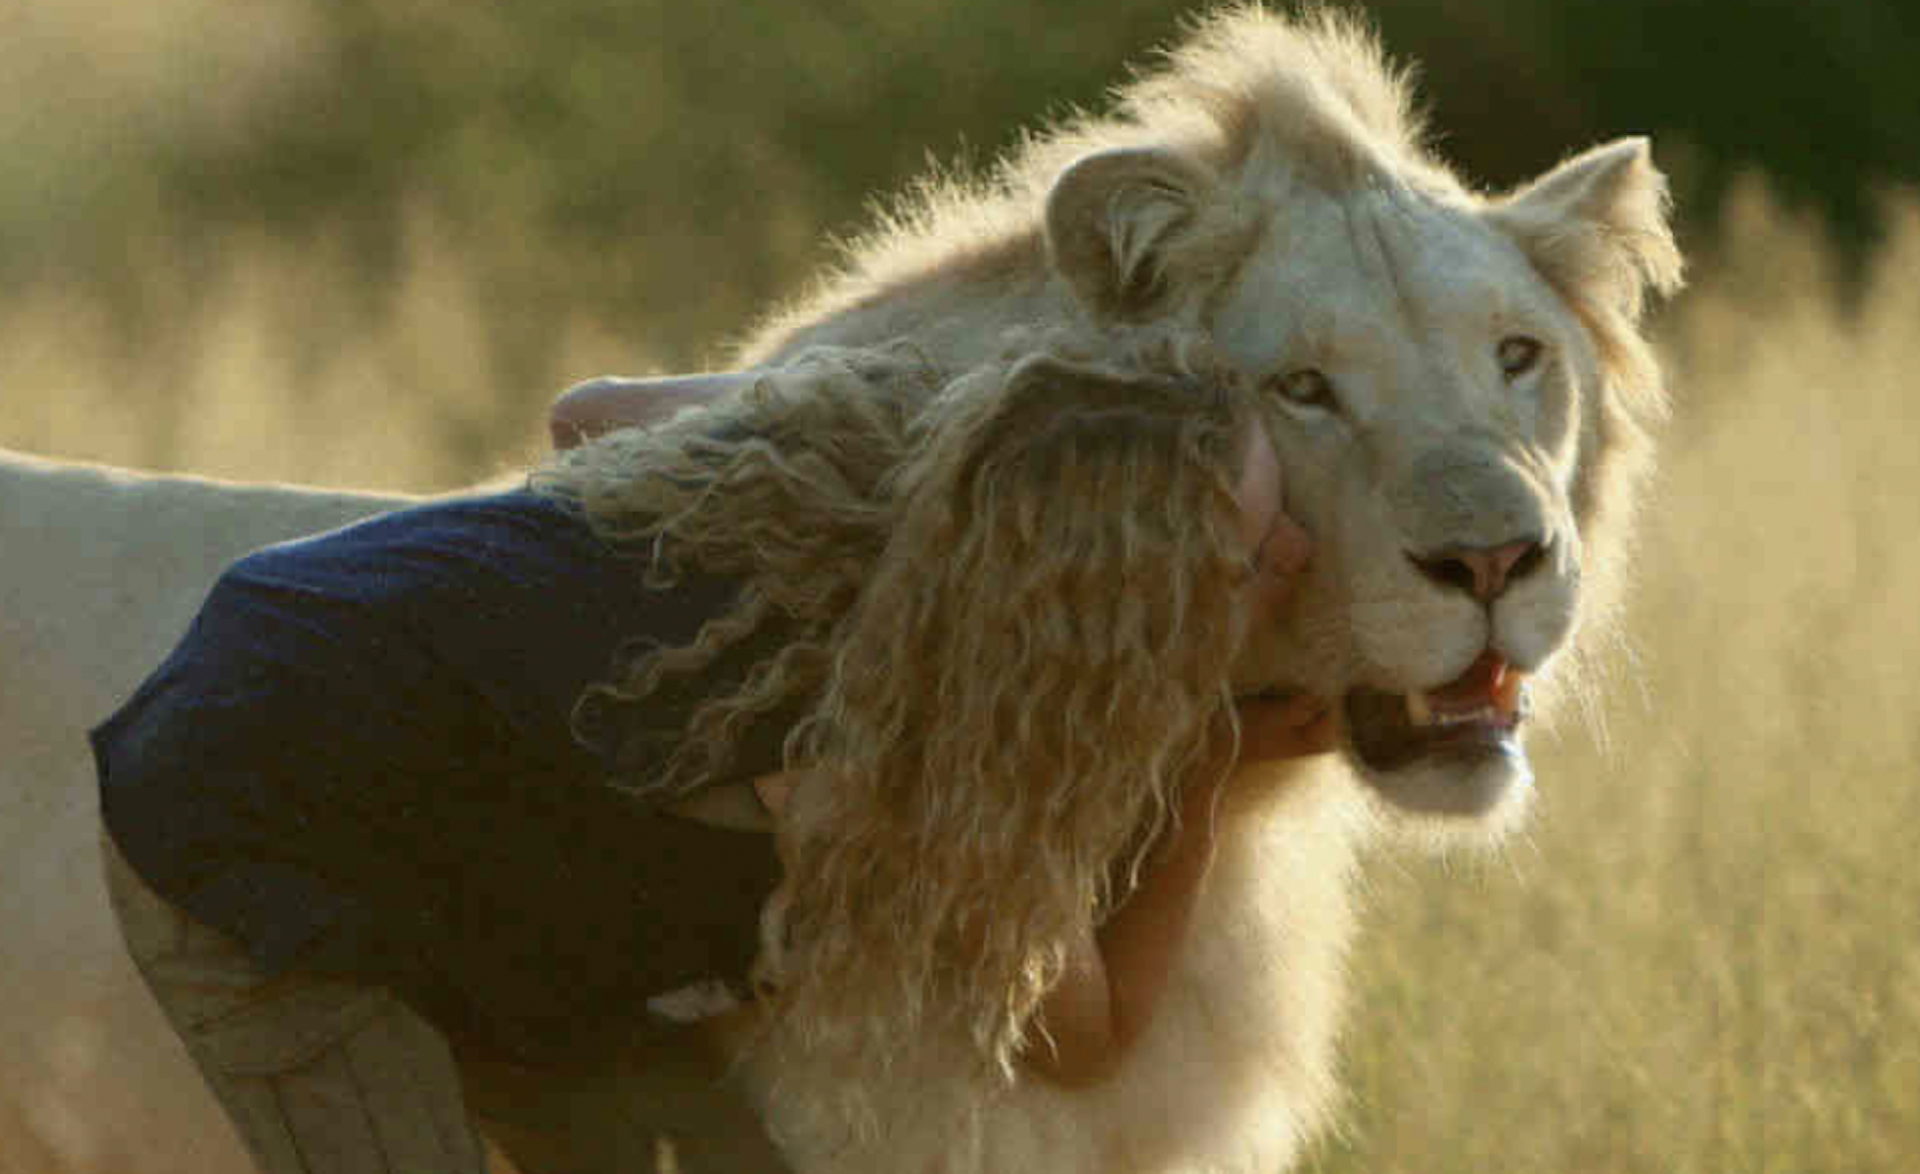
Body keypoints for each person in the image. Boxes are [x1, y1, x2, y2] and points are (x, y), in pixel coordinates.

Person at [95, 345, 1331, 1174]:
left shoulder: (883, 466)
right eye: (1253, 544)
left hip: (384, 740)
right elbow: (1084, 1033)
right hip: (241, 810)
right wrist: (1200, 783)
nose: (1296, 557)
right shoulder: (889, 752)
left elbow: (591, 414)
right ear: (1108, 597)